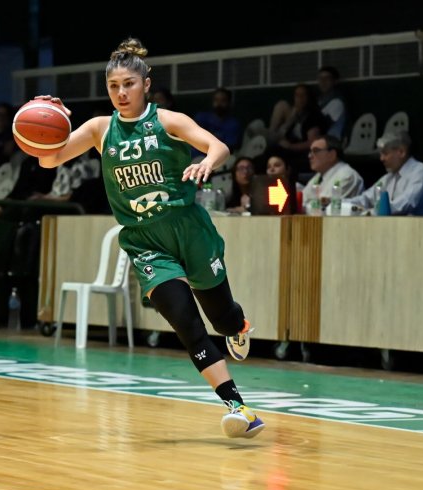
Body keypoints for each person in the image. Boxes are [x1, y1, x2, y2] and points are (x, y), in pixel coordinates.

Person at [33, 38, 265, 440]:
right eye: (113, 86)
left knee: (222, 318)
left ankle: (237, 324)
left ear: (145, 84)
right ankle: (239, 408)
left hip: (189, 231)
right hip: (145, 244)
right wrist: (53, 122)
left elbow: (218, 146)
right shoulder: (100, 129)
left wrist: (207, 162)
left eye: (128, 84)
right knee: (186, 324)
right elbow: (48, 158)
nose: (121, 93)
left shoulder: (168, 121)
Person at [346, 131, 423, 216]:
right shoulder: (388, 178)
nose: (381, 158)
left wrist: (371, 212)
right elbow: (365, 199)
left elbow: (405, 203)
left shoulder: (422, 173)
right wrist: (340, 203)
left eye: (385, 153)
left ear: (401, 152)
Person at [302, 135, 364, 210]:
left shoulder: (347, 175)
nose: (309, 156)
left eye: (316, 151)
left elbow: (325, 207)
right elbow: (303, 201)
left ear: (332, 155)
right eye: (310, 152)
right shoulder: (317, 177)